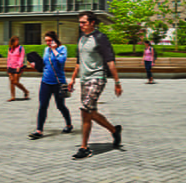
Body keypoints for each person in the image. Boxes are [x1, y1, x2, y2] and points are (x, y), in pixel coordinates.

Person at [68, 11, 122, 159]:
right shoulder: (81, 39)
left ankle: (84, 147)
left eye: (83, 22)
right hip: (84, 79)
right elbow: (79, 62)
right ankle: (114, 130)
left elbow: (110, 61)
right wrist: (72, 80)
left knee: (85, 110)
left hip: (97, 77)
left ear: (92, 23)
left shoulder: (100, 38)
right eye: (80, 23)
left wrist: (117, 82)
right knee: (90, 111)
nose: (81, 25)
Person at [27, 31, 74, 139]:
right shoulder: (46, 50)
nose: (47, 43)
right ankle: (39, 130)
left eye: (49, 40)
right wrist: (35, 66)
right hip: (46, 81)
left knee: (60, 105)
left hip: (58, 83)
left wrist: (54, 49)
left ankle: (69, 124)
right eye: (46, 41)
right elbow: (45, 65)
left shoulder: (62, 49)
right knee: (43, 106)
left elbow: (61, 61)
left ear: (55, 39)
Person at [6, 36, 29, 101]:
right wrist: (8, 66)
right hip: (10, 66)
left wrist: (19, 66)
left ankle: (26, 91)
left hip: (18, 67)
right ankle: (13, 96)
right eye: (16, 40)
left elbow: (21, 57)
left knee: (15, 82)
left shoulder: (21, 48)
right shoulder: (10, 48)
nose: (17, 42)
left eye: (18, 40)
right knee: (11, 82)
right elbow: (9, 58)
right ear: (12, 41)